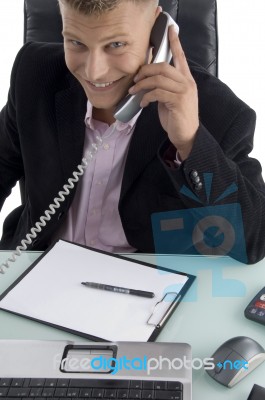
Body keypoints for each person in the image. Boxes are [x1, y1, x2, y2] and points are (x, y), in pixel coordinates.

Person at [0, 0, 264, 264]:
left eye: (116, 45)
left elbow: (254, 242)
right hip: (38, 271)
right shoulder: (34, 73)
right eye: (76, 43)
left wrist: (189, 142)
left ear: (155, 31)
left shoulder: (217, 110)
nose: (94, 71)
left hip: (148, 286)